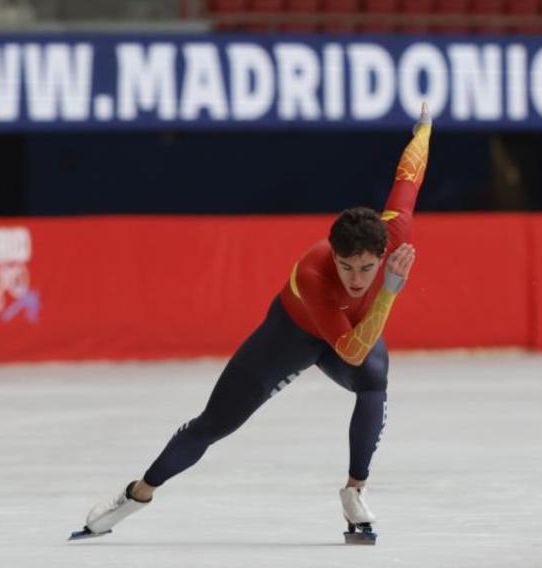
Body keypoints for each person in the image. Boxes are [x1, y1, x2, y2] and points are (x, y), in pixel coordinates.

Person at [72, 105, 432, 545]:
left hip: (347, 334)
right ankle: (136, 494)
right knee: (214, 424)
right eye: (346, 267)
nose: (356, 280)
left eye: (367, 269)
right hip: (293, 335)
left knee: (374, 382)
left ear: (381, 253)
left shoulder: (397, 234)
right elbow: (351, 352)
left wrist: (423, 129)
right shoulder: (315, 276)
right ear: (332, 256)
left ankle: (355, 492)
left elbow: (409, 177)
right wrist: (389, 288)